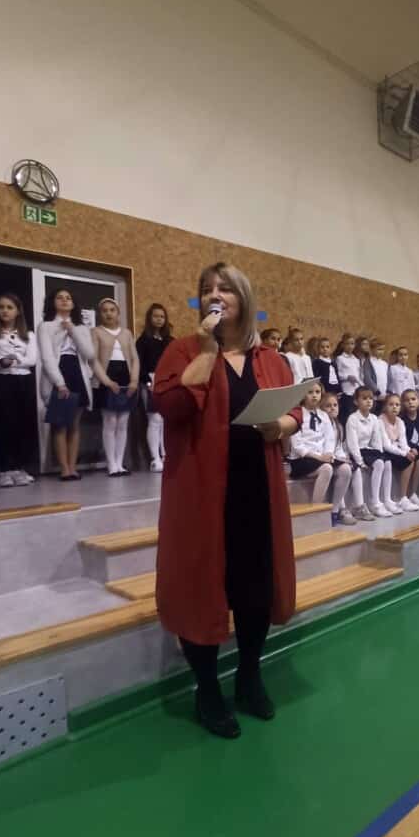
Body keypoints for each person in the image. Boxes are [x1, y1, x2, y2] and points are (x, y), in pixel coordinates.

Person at [154, 261, 302, 740]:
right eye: (206, 289)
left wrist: (282, 425)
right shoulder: (183, 349)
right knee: (201, 589)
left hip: (257, 489)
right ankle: (207, 690)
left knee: (255, 590)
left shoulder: (270, 359)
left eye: (225, 288)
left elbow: (295, 409)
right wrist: (206, 349)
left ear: (244, 297)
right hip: (200, 493)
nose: (214, 295)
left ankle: (249, 676)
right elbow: (172, 406)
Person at [0, 293, 37, 487]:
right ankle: (4, 470)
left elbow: (32, 360)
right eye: (1, 307)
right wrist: (0, 362)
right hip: (1, 380)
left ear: (18, 311)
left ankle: (20, 467)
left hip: (23, 380)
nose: (5, 311)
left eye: (9, 307)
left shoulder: (28, 334)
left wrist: (17, 360)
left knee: (23, 425)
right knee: (4, 424)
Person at [36, 288, 96, 481]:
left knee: (74, 424)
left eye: (68, 298)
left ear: (73, 303)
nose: (64, 300)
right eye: (59, 298)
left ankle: (73, 467)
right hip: (58, 372)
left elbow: (90, 354)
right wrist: (59, 383)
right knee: (60, 424)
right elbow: (47, 357)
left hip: (78, 373)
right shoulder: (46, 326)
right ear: (52, 302)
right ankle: (64, 469)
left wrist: (72, 330)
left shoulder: (81, 328)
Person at [92, 298, 140, 477]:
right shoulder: (96, 332)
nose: (108, 313)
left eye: (112, 310)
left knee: (123, 421)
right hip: (107, 377)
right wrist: (106, 381)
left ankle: (120, 463)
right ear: (100, 313)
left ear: (118, 313)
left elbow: (134, 359)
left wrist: (134, 380)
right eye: (104, 310)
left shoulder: (126, 333)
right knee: (110, 420)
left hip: (125, 377)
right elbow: (93, 360)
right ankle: (111, 463)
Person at [345, 385, 393, 518]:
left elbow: (376, 441)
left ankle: (386, 500)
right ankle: (374, 503)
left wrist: (380, 454)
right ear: (356, 402)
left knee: (386, 462)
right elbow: (352, 444)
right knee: (379, 463)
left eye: (371, 398)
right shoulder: (352, 419)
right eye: (364, 398)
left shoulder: (374, 418)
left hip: (367, 449)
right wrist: (360, 462)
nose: (368, 401)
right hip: (355, 452)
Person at [287, 382, 338, 504]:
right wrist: (319, 457)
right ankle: (316, 507)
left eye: (317, 392)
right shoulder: (296, 415)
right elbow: (297, 446)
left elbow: (330, 438)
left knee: (345, 469)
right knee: (326, 469)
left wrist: (328, 453)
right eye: (310, 392)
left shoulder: (323, 415)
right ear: (303, 394)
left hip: (321, 456)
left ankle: (337, 508)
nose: (314, 395)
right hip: (302, 460)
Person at [136, 303, 173, 472]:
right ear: (149, 318)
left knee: (166, 419)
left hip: (168, 381)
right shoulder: (143, 341)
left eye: (162, 316)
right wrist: (148, 382)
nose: (159, 319)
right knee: (155, 419)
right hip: (150, 381)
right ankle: (155, 458)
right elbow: (139, 364)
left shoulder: (170, 341)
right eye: (155, 316)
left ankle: (166, 455)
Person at [320, 391, 362, 524]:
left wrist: (344, 458)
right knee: (344, 469)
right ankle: (341, 509)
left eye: (335, 405)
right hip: (323, 459)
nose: (332, 408)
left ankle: (358, 506)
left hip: (335, 458)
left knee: (353, 467)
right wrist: (339, 459)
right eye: (328, 406)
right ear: (321, 409)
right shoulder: (321, 424)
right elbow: (322, 446)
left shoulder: (338, 426)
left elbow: (338, 448)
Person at [380, 392, 419, 512]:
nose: (394, 407)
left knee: (413, 458)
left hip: (396, 449)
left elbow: (403, 442)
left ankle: (405, 497)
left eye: (397, 405)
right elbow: (386, 445)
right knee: (407, 459)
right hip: (383, 450)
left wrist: (409, 451)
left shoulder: (400, 421)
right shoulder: (380, 420)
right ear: (385, 406)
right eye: (391, 404)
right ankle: (402, 498)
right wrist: (404, 453)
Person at [398, 389, 419, 508]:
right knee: (416, 459)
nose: (410, 402)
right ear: (403, 403)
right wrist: (414, 448)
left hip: (417, 449)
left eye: (413, 399)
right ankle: (404, 497)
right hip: (404, 448)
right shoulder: (402, 419)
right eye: (407, 400)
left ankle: (412, 494)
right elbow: (403, 439)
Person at [335, 332, 362, 423]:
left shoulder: (356, 360)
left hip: (356, 391)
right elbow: (338, 375)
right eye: (347, 344)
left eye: (352, 344)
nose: (350, 346)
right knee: (347, 416)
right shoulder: (340, 358)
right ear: (342, 345)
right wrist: (347, 377)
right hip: (347, 391)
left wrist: (362, 386)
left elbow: (359, 376)